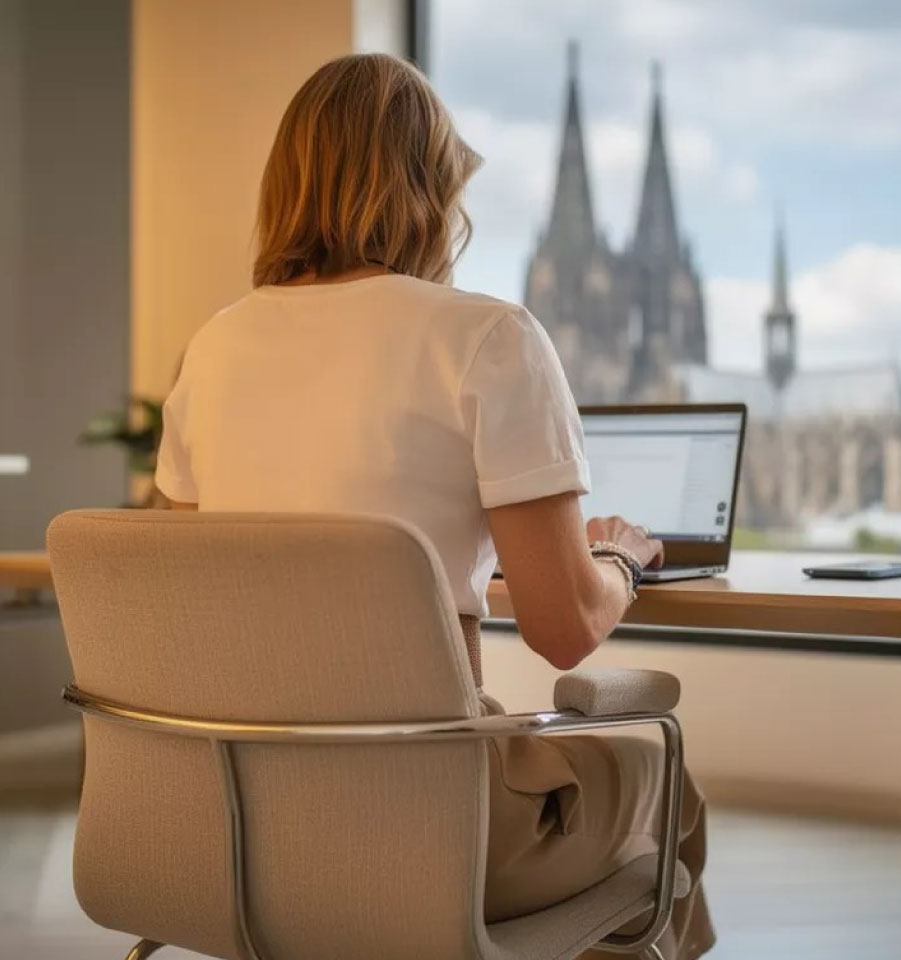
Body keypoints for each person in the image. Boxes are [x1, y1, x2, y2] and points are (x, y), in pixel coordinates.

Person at [152, 53, 713, 960]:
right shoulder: (486, 337)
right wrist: (617, 557)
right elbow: (565, 628)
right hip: (437, 833)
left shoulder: (210, 351)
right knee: (665, 775)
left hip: (239, 827)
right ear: (432, 189)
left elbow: (202, 603)